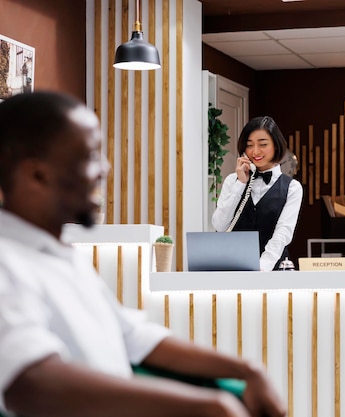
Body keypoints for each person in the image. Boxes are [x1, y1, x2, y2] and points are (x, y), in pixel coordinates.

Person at [0, 91, 286, 417]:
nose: (105, 168)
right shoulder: (6, 263)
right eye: (90, 156)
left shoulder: (63, 256)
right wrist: (203, 406)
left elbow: (133, 336)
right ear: (37, 174)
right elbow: (32, 383)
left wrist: (248, 369)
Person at [212, 116, 303, 271]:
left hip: (274, 270)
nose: (255, 151)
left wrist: (262, 266)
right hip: (233, 268)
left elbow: (283, 232)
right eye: (249, 145)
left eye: (263, 144)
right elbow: (219, 226)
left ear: (276, 145)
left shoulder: (293, 188)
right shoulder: (232, 181)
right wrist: (240, 184)